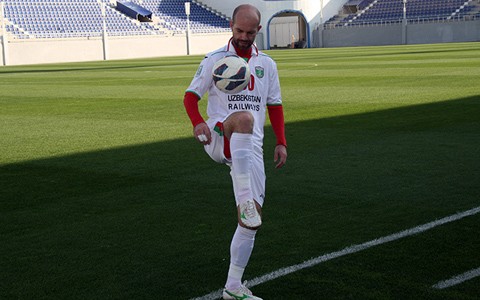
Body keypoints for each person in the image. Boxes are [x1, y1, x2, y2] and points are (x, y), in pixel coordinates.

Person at [183, 4, 287, 300]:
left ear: (259, 31)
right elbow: (190, 97)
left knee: (252, 220)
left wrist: (281, 142)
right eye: (239, 30)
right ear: (231, 25)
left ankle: (233, 286)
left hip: (250, 146)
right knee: (244, 118)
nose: (243, 36)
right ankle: (243, 198)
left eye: (249, 32)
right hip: (218, 134)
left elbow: (275, 105)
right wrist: (197, 122)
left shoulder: (267, 64)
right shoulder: (215, 60)